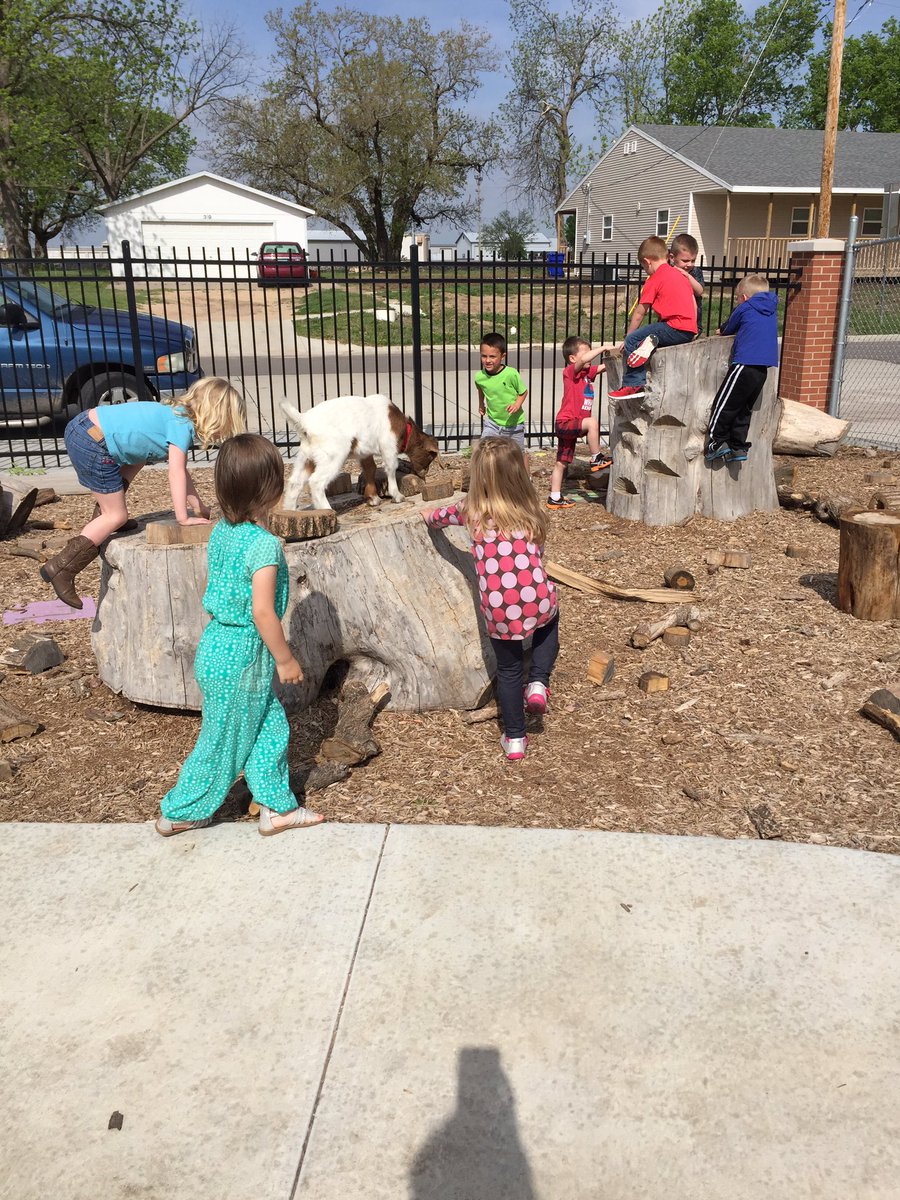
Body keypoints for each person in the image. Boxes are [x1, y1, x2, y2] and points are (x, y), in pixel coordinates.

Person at [156, 433, 324, 837]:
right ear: (271, 488)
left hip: (216, 645)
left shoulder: (222, 532)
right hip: (244, 654)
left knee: (269, 724)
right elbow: (263, 613)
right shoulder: (264, 546)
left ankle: (276, 806)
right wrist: (285, 659)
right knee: (222, 740)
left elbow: (213, 585)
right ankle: (181, 809)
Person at [40, 378, 246, 609]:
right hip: (93, 442)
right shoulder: (182, 426)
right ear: (215, 414)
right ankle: (61, 568)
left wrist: (198, 506)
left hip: (85, 428)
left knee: (139, 455)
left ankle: (103, 515)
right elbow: (176, 473)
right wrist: (184, 517)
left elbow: (183, 473)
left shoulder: (174, 414)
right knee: (115, 515)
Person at [423, 437, 559, 762]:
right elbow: (536, 554)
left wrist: (427, 515)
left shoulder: (470, 511)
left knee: (510, 670)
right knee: (549, 621)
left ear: (479, 475)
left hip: (499, 608)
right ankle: (539, 682)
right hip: (536, 594)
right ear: (518, 474)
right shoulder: (531, 509)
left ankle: (514, 740)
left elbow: (437, 518)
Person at [609, 235, 698, 401]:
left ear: (647, 261)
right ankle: (651, 340)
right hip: (688, 330)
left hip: (674, 326)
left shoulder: (655, 279)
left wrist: (628, 336)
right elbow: (692, 306)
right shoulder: (679, 275)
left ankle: (633, 384)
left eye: (644, 267)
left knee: (633, 339)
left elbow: (639, 313)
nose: (645, 270)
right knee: (652, 335)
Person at [706, 274, 779, 464]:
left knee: (725, 403)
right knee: (744, 408)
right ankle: (737, 446)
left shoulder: (745, 307)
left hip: (744, 364)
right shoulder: (771, 310)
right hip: (763, 369)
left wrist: (721, 330)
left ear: (744, 297)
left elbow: (730, 327)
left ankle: (716, 442)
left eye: (738, 297)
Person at [547, 335, 610, 511]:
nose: (590, 356)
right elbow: (584, 359)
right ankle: (596, 457)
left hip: (573, 424)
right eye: (587, 353)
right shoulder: (569, 372)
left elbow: (607, 366)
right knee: (592, 422)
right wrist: (602, 348)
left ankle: (554, 497)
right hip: (566, 422)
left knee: (562, 462)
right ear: (572, 358)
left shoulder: (587, 374)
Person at [475, 332, 528, 451]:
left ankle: (525, 471)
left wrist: (516, 405)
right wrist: (480, 404)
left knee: (518, 454)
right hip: (492, 423)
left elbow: (523, 392)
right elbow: (481, 389)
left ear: (502, 356)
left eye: (492, 356)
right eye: (484, 356)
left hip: (514, 425)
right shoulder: (479, 377)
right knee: (483, 449)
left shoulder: (511, 374)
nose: (487, 360)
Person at [668, 232, 705, 333]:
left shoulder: (695, 272)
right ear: (672, 258)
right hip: (671, 319)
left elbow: (699, 291)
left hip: (693, 323)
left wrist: (687, 276)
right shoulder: (668, 272)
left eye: (693, 260)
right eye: (685, 260)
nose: (689, 264)